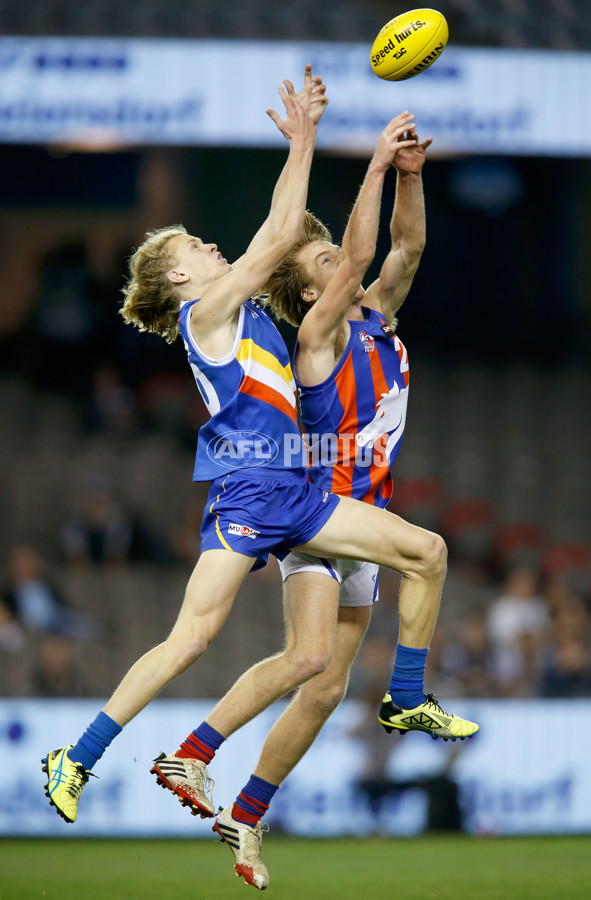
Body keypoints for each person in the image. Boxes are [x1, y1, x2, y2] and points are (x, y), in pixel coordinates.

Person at [42, 73, 474, 867]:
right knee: (204, 635)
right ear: (177, 279)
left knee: (264, 652)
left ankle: (129, 757)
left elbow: (321, 253)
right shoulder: (205, 311)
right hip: (264, 488)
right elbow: (278, 238)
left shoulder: (243, 316)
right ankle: (405, 699)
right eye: (194, 249)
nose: (210, 247)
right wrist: (309, 142)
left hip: (279, 490)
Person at [151, 115, 478, 889]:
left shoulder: (379, 317)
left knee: (320, 680)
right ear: (308, 290)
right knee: (419, 561)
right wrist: (368, 165)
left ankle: (243, 809)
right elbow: (363, 254)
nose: (344, 265)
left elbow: (404, 249)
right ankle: (400, 698)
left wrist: (409, 174)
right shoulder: (319, 336)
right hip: (322, 511)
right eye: (325, 262)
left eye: (336, 254)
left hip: (361, 511)